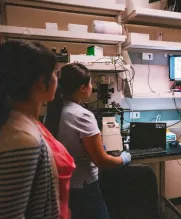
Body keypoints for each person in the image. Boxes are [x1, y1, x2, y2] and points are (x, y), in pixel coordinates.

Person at [44, 63, 131, 219]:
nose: (92, 86)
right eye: (90, 83)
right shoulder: (82, 115)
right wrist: (124, 158)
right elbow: (102, 161)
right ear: (83, 88)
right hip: (84, 188)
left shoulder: (53, 111)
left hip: (63, 185)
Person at [0, 40, 75, 219]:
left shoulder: (28, 123)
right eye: (55, 72)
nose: (57, 78)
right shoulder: (21, 138)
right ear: (41, 83)